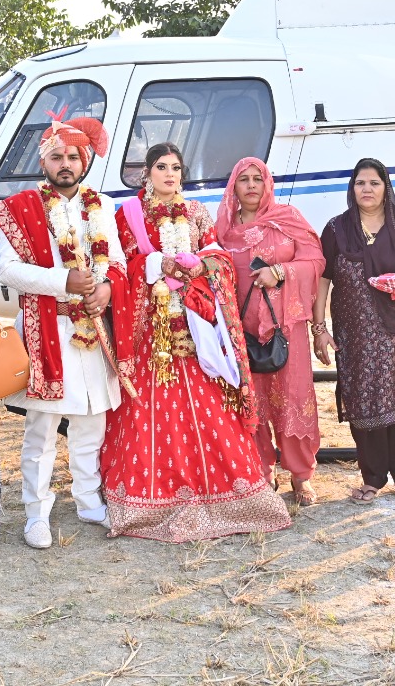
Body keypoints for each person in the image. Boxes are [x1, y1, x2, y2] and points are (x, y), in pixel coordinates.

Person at [104, 142, 291, 541]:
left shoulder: (197, 212)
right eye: (161, 167)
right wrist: (159, 264)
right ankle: (152, 500)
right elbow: (123, 265)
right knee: (149, 413)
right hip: (152, 334)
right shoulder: (130, 214)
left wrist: (201, 263)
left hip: (197, 328)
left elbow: (220, 257)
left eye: (175, 167)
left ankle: (225, 495)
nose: (170, 174)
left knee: (212, 411)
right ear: (147, 174)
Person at [0, 115, 130, 550]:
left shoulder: (103, 205)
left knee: (92, 424)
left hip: (94, 329)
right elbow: (7, 270)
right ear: (43, 161)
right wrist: (62, 281)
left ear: (84, 161)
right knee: (42, 429)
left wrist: (106, 290)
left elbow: (120, 262)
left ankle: (89, 501)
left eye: (73, 156)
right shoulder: (20, 208)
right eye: (57, 157)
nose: (65, 163)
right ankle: (37, 512)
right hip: (47, 328)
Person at [314, 158, 395, 505]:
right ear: (352, 189)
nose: (367, 189)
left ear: (386, 187)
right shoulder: (338, 228)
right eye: (360, 183)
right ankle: (371, 479)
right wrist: (319, 328)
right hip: (356, 333)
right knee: (364, 398)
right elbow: (323, 280)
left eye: (374, 183)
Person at [216, 157, 326, 506]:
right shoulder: (223, 228)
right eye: (243, 180)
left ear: (268, 184)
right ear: (233, 186)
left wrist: (280, 272)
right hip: (241, 328)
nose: (251, 186)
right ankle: (260, 470)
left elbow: (315, 261)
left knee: (293, 396)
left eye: (257, 179)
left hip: (284, 326)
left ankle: (300, 474)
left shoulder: (287, 218)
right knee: (252, 399)